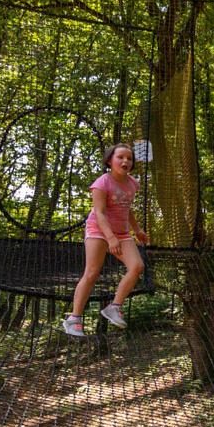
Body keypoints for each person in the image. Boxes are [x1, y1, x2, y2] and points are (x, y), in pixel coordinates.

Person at [64, 144, 147, 338]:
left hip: (122, 232)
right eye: (120, 157)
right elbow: (100, 213)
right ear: (110, 160)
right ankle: (74, 319)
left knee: (137, 267)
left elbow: (127, 208)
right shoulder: (101, 183)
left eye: (129, 158)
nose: (125, 161)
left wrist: (137, 230)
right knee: (92, 272)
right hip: (99, 230)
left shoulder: (133, 184)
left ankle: (114, 307)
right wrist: (110, 238)